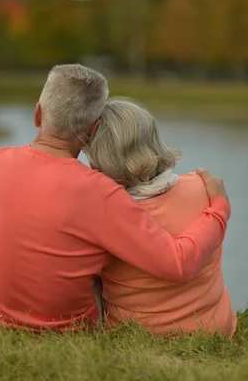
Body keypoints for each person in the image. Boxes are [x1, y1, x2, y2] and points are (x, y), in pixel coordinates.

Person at [0, 64, 231, 333]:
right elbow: (177, 263)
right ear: (93, 131)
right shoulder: (102, 193)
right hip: (67, 333)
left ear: (37, 114)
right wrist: (219, 207)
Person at [85, 98, 237, 337]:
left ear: (100, 156)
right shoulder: (205, 187)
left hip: (137, 333)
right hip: (215, 330)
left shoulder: (102, 214)